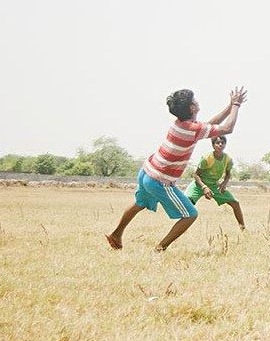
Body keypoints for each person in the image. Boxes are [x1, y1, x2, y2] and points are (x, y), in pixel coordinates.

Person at [105, 87, 247, 252]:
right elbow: (227, 128)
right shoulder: (192, 129)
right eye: (195, 100)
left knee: (140, 203)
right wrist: (236, 104)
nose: (198, 102)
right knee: (190, 214)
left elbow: (209, 125)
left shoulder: (180, 124)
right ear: (192, 107)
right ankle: (160, 249)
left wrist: (229, 106)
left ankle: (116, 234)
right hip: (160, 180)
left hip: (147, 171)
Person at [184, 135, 246, 230]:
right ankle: (181, 228)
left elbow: (228, 174)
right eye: (217, 143)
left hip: (214, 185)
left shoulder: (228, 159)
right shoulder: (206, 158)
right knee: (186, 203)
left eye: (222, 143)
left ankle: (243, 228)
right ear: (213, 145)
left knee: (235, 203)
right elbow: (196, 175)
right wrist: (204, 187)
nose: (220, 144)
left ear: (225, 145)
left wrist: (224, 184)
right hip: (199, 184)